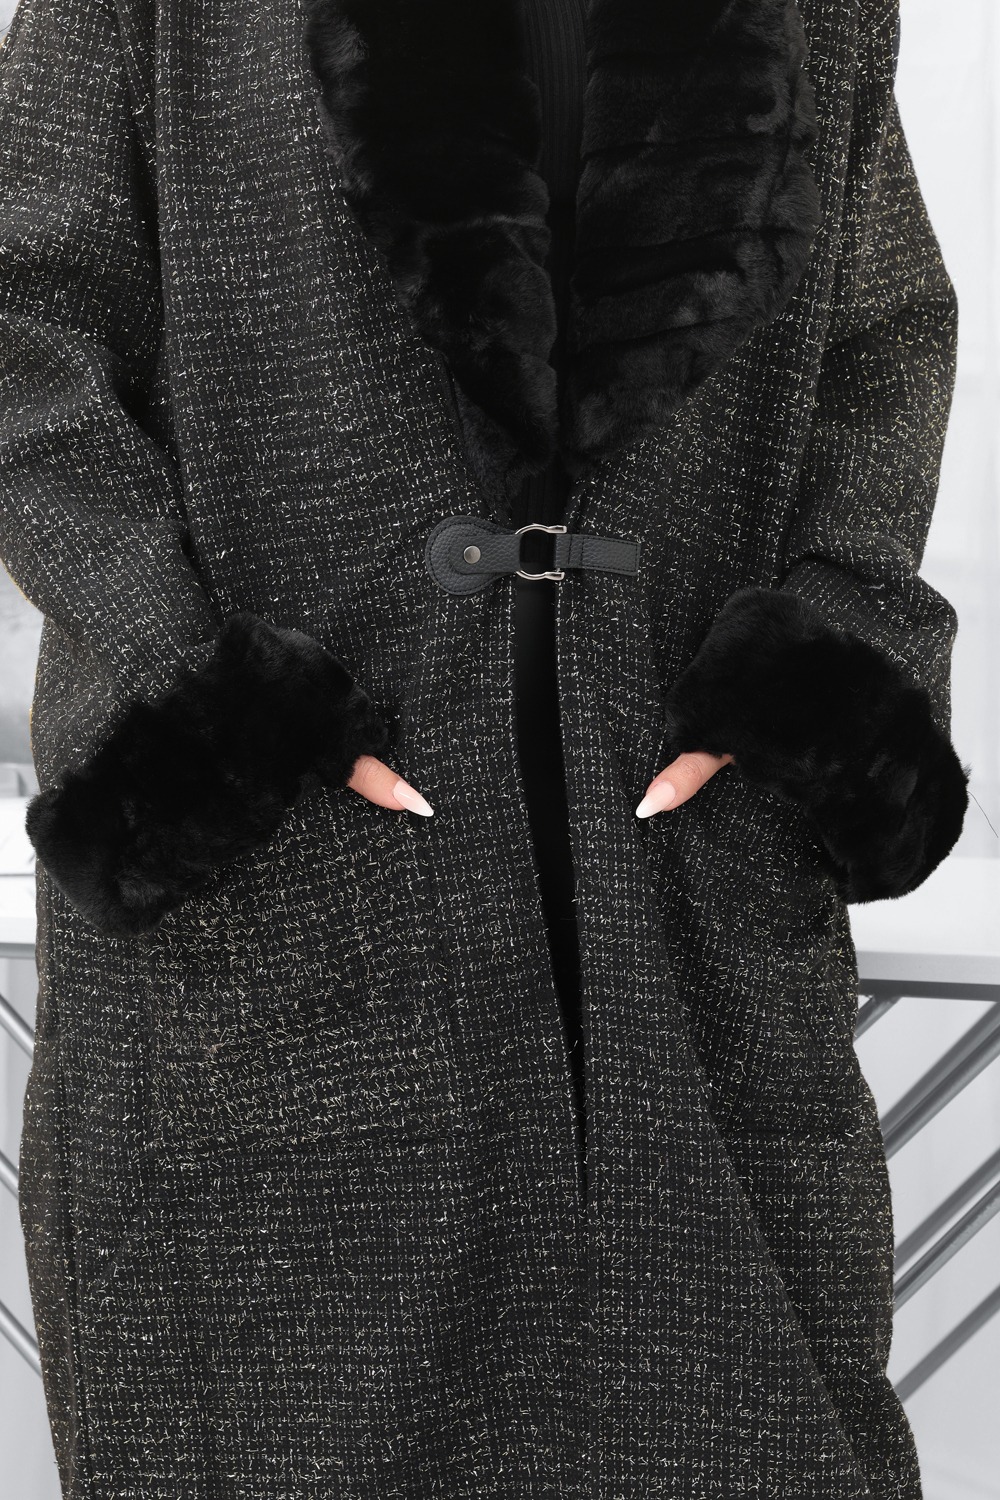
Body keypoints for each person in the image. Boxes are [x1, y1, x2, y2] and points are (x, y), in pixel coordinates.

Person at [0, 0, 970, 1493]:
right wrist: (203, 689)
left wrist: (818, 668)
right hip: (284, 933)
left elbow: (879, 340)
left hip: (682, 956)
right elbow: (23, 329)